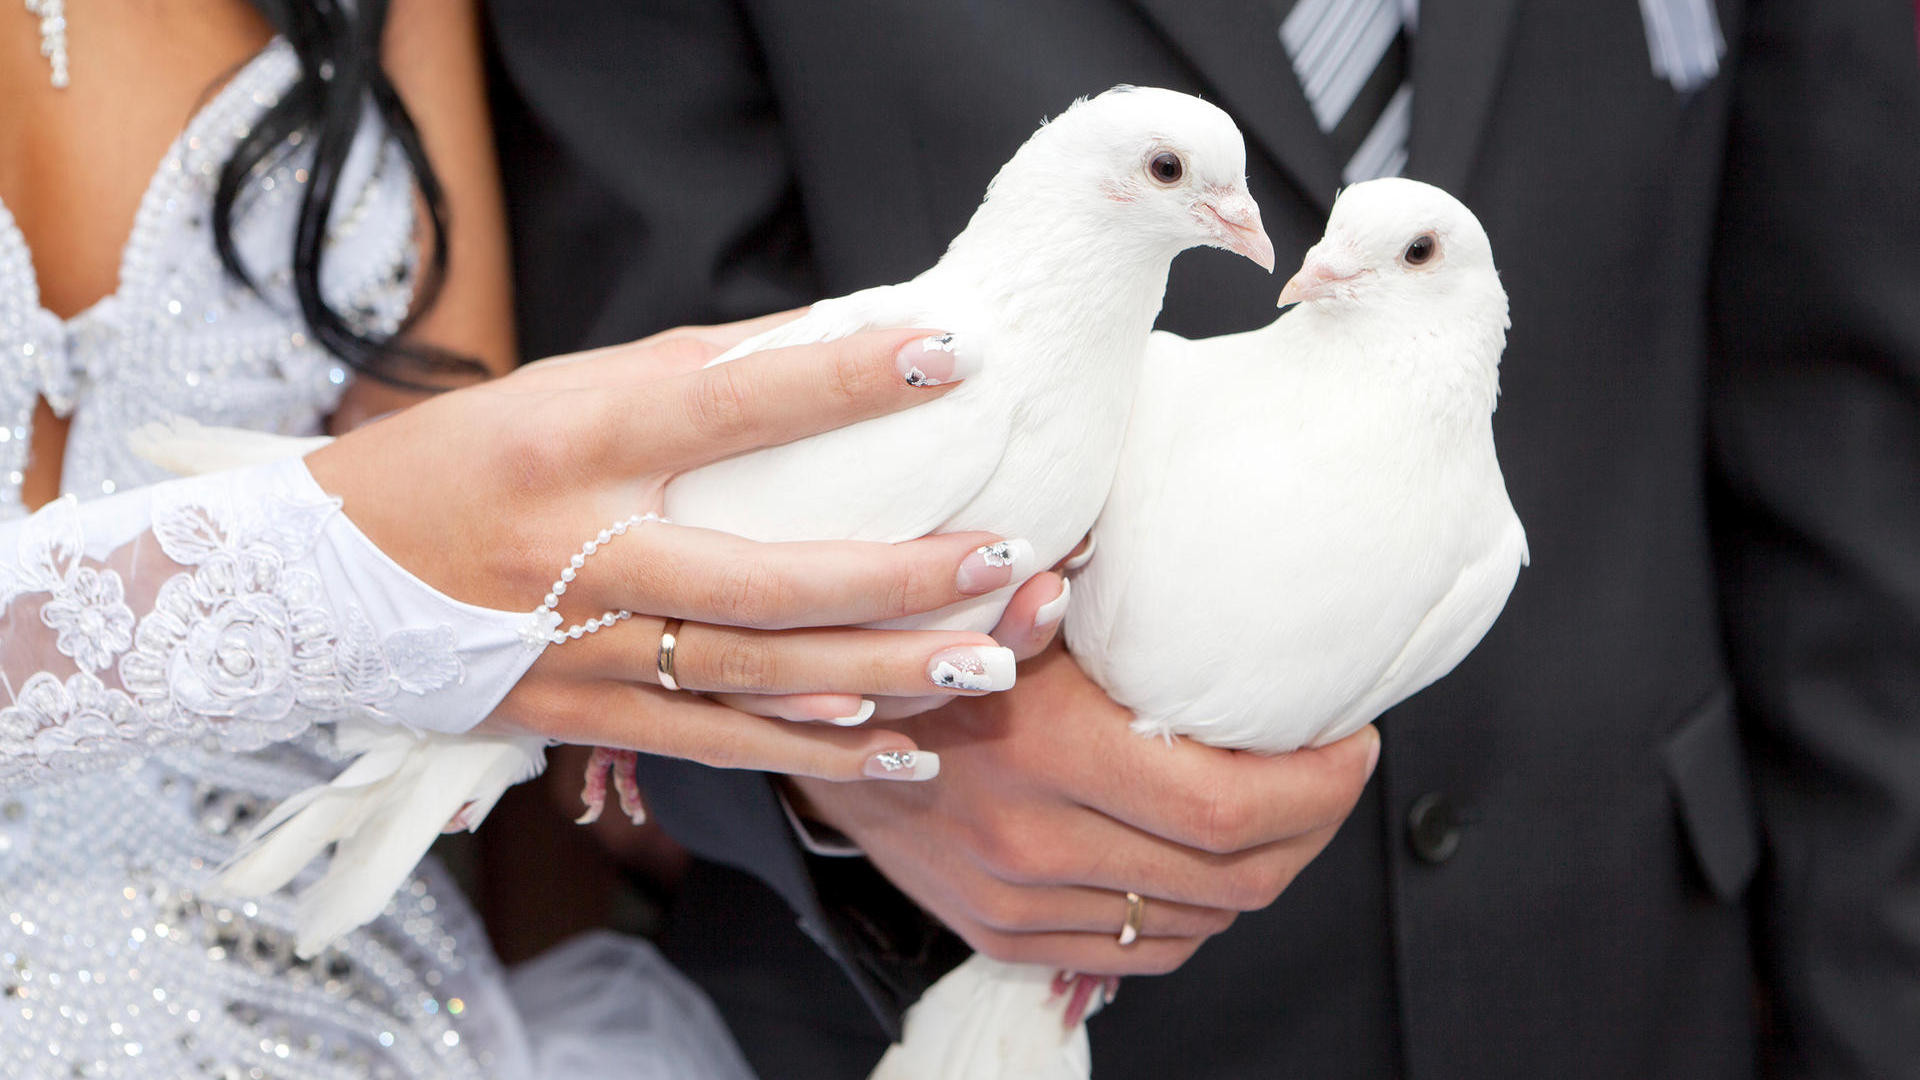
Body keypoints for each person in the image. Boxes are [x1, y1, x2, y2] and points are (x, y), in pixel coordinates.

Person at [488, 1, 1920, 1076]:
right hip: (921, 980)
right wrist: (847, 774)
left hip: (1622, 975)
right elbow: (625, 441)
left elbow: (1838, 432)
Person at [0, 1, 1070, 1076]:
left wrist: (763, 591)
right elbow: (410, 540)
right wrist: (326, 584)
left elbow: (449, 458)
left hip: (334, 991)